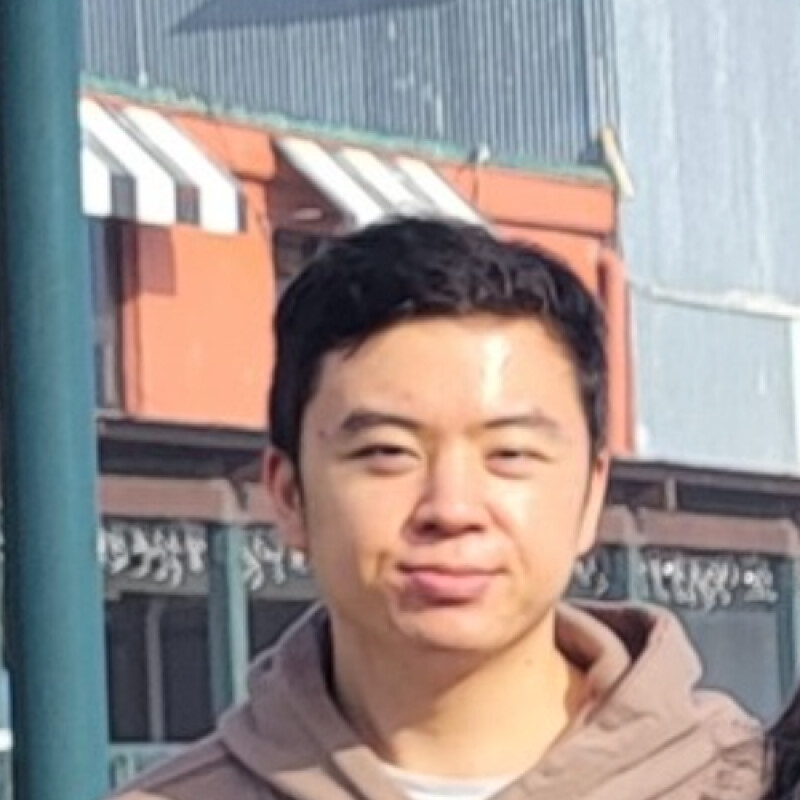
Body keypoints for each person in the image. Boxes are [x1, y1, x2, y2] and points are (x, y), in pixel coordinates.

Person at [117, 218, 764, 800]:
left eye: (510, 453)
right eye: (387, 452)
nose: (451, 508)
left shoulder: (749, 786)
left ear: (591, 494)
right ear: (289, 496)